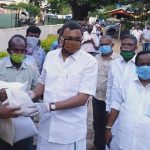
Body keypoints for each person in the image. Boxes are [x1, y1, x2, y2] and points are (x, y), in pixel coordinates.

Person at [31, 21, 98, 150]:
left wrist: (50, 106)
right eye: (69, 39)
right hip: (46, 127)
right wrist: (31, 94)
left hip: (69, 131)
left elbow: (82, 98)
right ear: (60, 39)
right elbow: (43, 83)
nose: (73, 42)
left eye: (77, 39)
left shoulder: (89, 62)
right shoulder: (50, 56)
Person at [0, 34, 39, 150]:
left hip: (25, 120)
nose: (19, 53)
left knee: (25, 146)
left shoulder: (31, 68)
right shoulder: (0, 67)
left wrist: (28, 96)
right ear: (9, 51)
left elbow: (37, 90)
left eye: (22, 50)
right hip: (4, 120)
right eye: (15, 50)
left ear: (26, 52)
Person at [105, 51, 150, 150]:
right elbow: (116, 105)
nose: (146, 67)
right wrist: (108, 128)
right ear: (136, 66)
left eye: (149, 64)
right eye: (141, 64)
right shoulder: (127, 84)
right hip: (123, 141)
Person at [105, 34, 138, 149]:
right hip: (113, 111)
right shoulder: (114, 64)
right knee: (111, 140)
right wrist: (108, 108)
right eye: (123, 44)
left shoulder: (141, 65)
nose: (125, 47)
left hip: (130, 112)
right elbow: (109, 87)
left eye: (129, 44)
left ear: (136, 47)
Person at [92, 35, 119, 150]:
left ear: (112, 45)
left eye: (106, 44)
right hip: (97, 97)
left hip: (112, 99)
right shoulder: (95, 59)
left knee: (110, 124)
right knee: (97, 122)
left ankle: (109, 145)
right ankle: (98, 144)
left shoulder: (118, 60)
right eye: (101, 44)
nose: (103, 46)